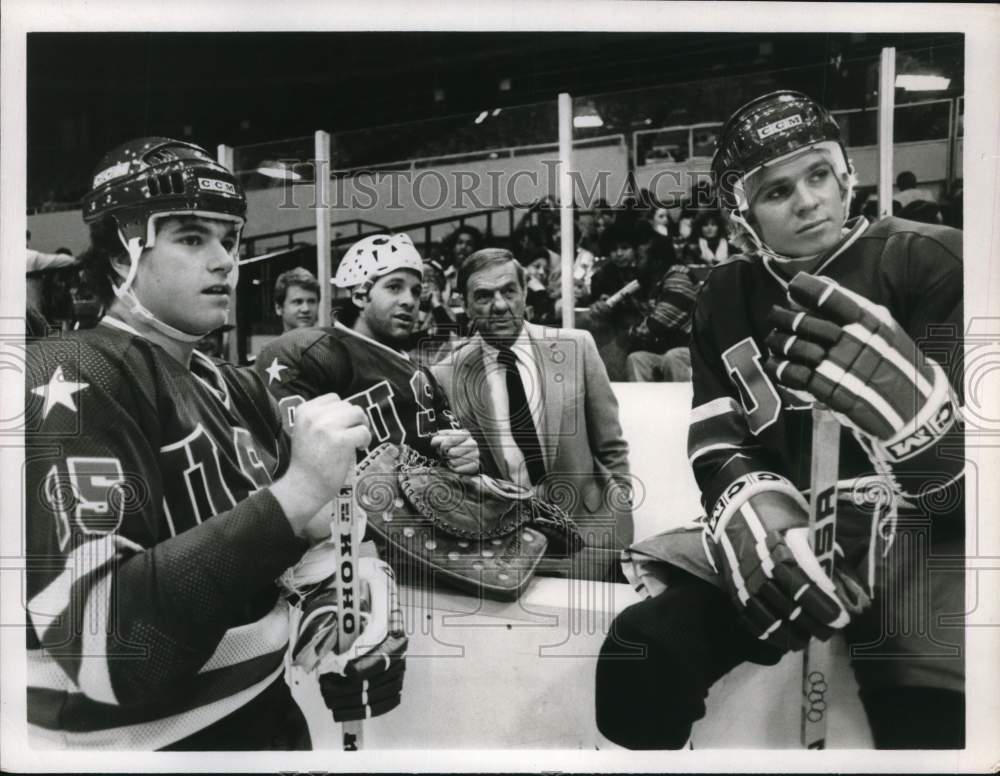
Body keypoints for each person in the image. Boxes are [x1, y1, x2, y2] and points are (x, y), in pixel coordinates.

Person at [595, 91, 964, 749]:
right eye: (776, 191)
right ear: (744, 216)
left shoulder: (933, 259)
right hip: (789, 528)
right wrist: (750, 513)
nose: (807, 201)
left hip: (923, 540)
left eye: (818, 174)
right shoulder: (725, 292)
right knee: (641, 655)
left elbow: (974, 486)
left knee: (934, 724)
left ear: (845, 174)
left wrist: (922, 429)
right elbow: (716, 439)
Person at [24, 137, 406, 750]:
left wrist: (344, 606)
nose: (227, 260)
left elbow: (309, 549)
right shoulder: (65, 374)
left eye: (228, 238)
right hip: (145, 750)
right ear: (123, 253)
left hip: (268, 715)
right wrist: (300, 490)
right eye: (191, 238)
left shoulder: (236, 385)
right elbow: (104, 644)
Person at [432, 248, 633, 580]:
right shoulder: (445, 376)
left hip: (594, 538)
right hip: (507, 550)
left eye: (508, 291)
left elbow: (611, 446)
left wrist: (619, 505)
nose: (499, 305)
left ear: (524, 293)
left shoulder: (577, 347)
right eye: (483, 296)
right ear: (465, 305)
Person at [255, 232, 479, 473]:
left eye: (415, 291)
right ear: (361, 296)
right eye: (394, 287)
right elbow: (292, 469)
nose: (410, 301)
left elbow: (457, 447)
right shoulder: (315, 351)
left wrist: (466, 455)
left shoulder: (422, 373)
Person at [273, 266, 320, 331]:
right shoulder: (275, 342)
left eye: (311, 301)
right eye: (298, 302)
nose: (306, 309)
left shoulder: (328, 341)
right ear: (279, 308)